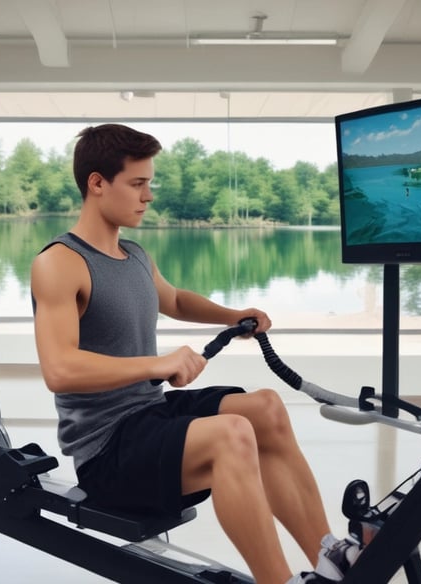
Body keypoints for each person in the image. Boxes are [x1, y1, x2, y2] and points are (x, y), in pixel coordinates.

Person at [31, 124, 366, 584]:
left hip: (149, 413)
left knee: (265, 407)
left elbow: (175, 300)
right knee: (231, 434)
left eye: (150, 183)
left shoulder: (134, 255)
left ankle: (328, 554)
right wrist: (159, 363)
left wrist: (233, 316)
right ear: (97, 183)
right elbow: (59, 369)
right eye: (137, 183)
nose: (148, 196)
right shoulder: (59, 263)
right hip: (107, 450)